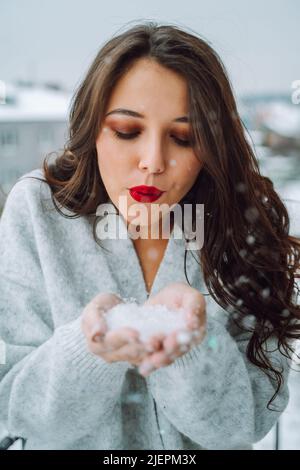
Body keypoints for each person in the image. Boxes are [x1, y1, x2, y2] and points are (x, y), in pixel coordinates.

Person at [0, 21, 299, 451]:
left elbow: (244, 426)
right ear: (93, 129)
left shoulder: (242, 225)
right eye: (127, 131)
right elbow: (15, 407)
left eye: (183, 137)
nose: (153, 161)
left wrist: (194, 350)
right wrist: (89, 348)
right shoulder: (37, 212)